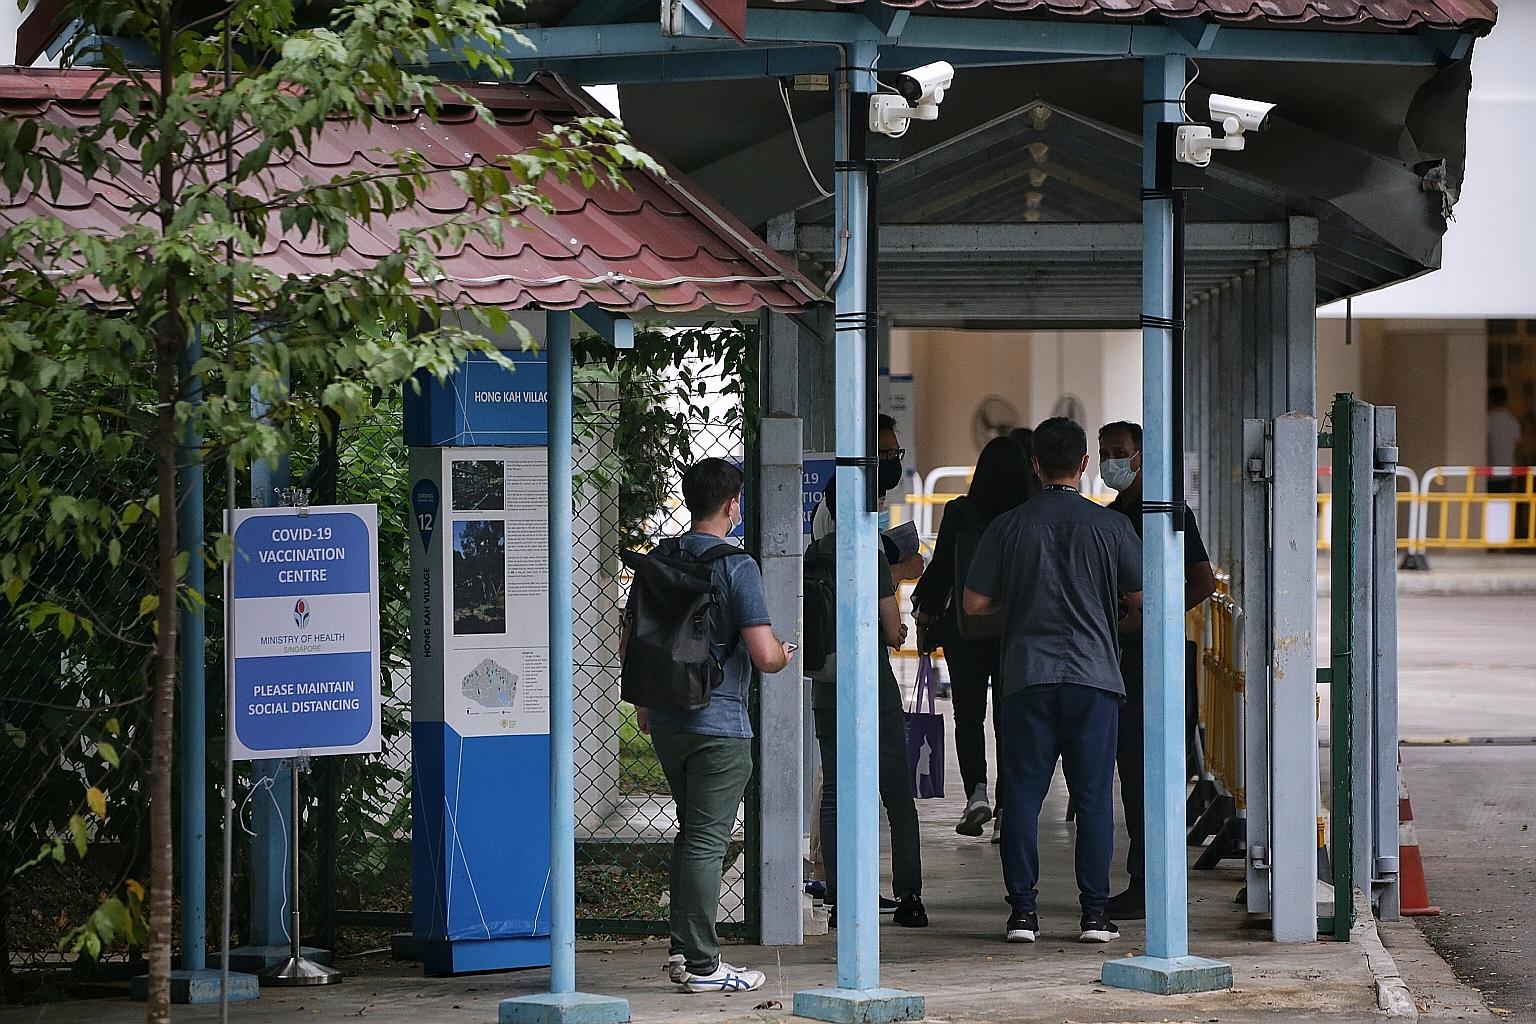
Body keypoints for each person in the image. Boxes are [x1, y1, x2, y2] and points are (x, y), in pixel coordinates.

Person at [963, 417, 1141, 946]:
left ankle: (1023, 914)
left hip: (1025, 676)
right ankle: (1093, 915)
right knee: (1093, 799)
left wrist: (1017, 603)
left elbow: (974, 603)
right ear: (1085, 464)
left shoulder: (1009, 527)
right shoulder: (1113, 528)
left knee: (1021, 796)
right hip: (1094, 677)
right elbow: (1142, 601)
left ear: (1035, 465)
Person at [629, 458, 794, 993]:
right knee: (706, 839)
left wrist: (646, 704)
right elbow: (764, 655)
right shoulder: (736, 565)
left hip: (668, 718)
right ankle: (703, 965)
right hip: (720, 723)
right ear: (731, 505)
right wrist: (786, 654)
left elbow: (635, 635)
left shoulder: (661, 558)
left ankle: (682, 952)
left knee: (690, 835)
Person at [807, 415, 928, 928]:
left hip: (825, 679)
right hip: (868, 678)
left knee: (835, 785)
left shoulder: (814, 553)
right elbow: (893, 630)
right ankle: (909, 897)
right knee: (895, 789)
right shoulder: (869, 553)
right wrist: (894, 627)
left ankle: (838, 898)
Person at [1097, 421, 1218, 920]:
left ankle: (1153, 880)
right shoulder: (1108, 518)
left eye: (1119, 452)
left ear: (1143, 456)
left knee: (1153, 772)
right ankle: (1143, 876)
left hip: (1159, 658)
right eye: (1104, 453)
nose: (1111, 462)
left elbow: (1203, 581)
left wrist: (1160, 618)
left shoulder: (1170, 515)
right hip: (1120, 657)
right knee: (1132, 771)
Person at [911, 436, 1033, 837]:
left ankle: (976, 794)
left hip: (966, 629)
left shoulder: (960, 512)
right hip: (1016, 632)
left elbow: (943, 570)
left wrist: (925, 614)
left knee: (968, 716)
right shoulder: (1027, 516)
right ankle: (1006, 807)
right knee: (1009, 719)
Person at [1487, 386, 1529, 542]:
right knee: (1504, 507)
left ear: (1490, 400)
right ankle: (1502, 542)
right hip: (1509, 471)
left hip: (1490, 472)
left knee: (1490, 507)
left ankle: (1492, 541)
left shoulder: (1488, 420)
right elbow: (1518, 448)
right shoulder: (1513, 421)